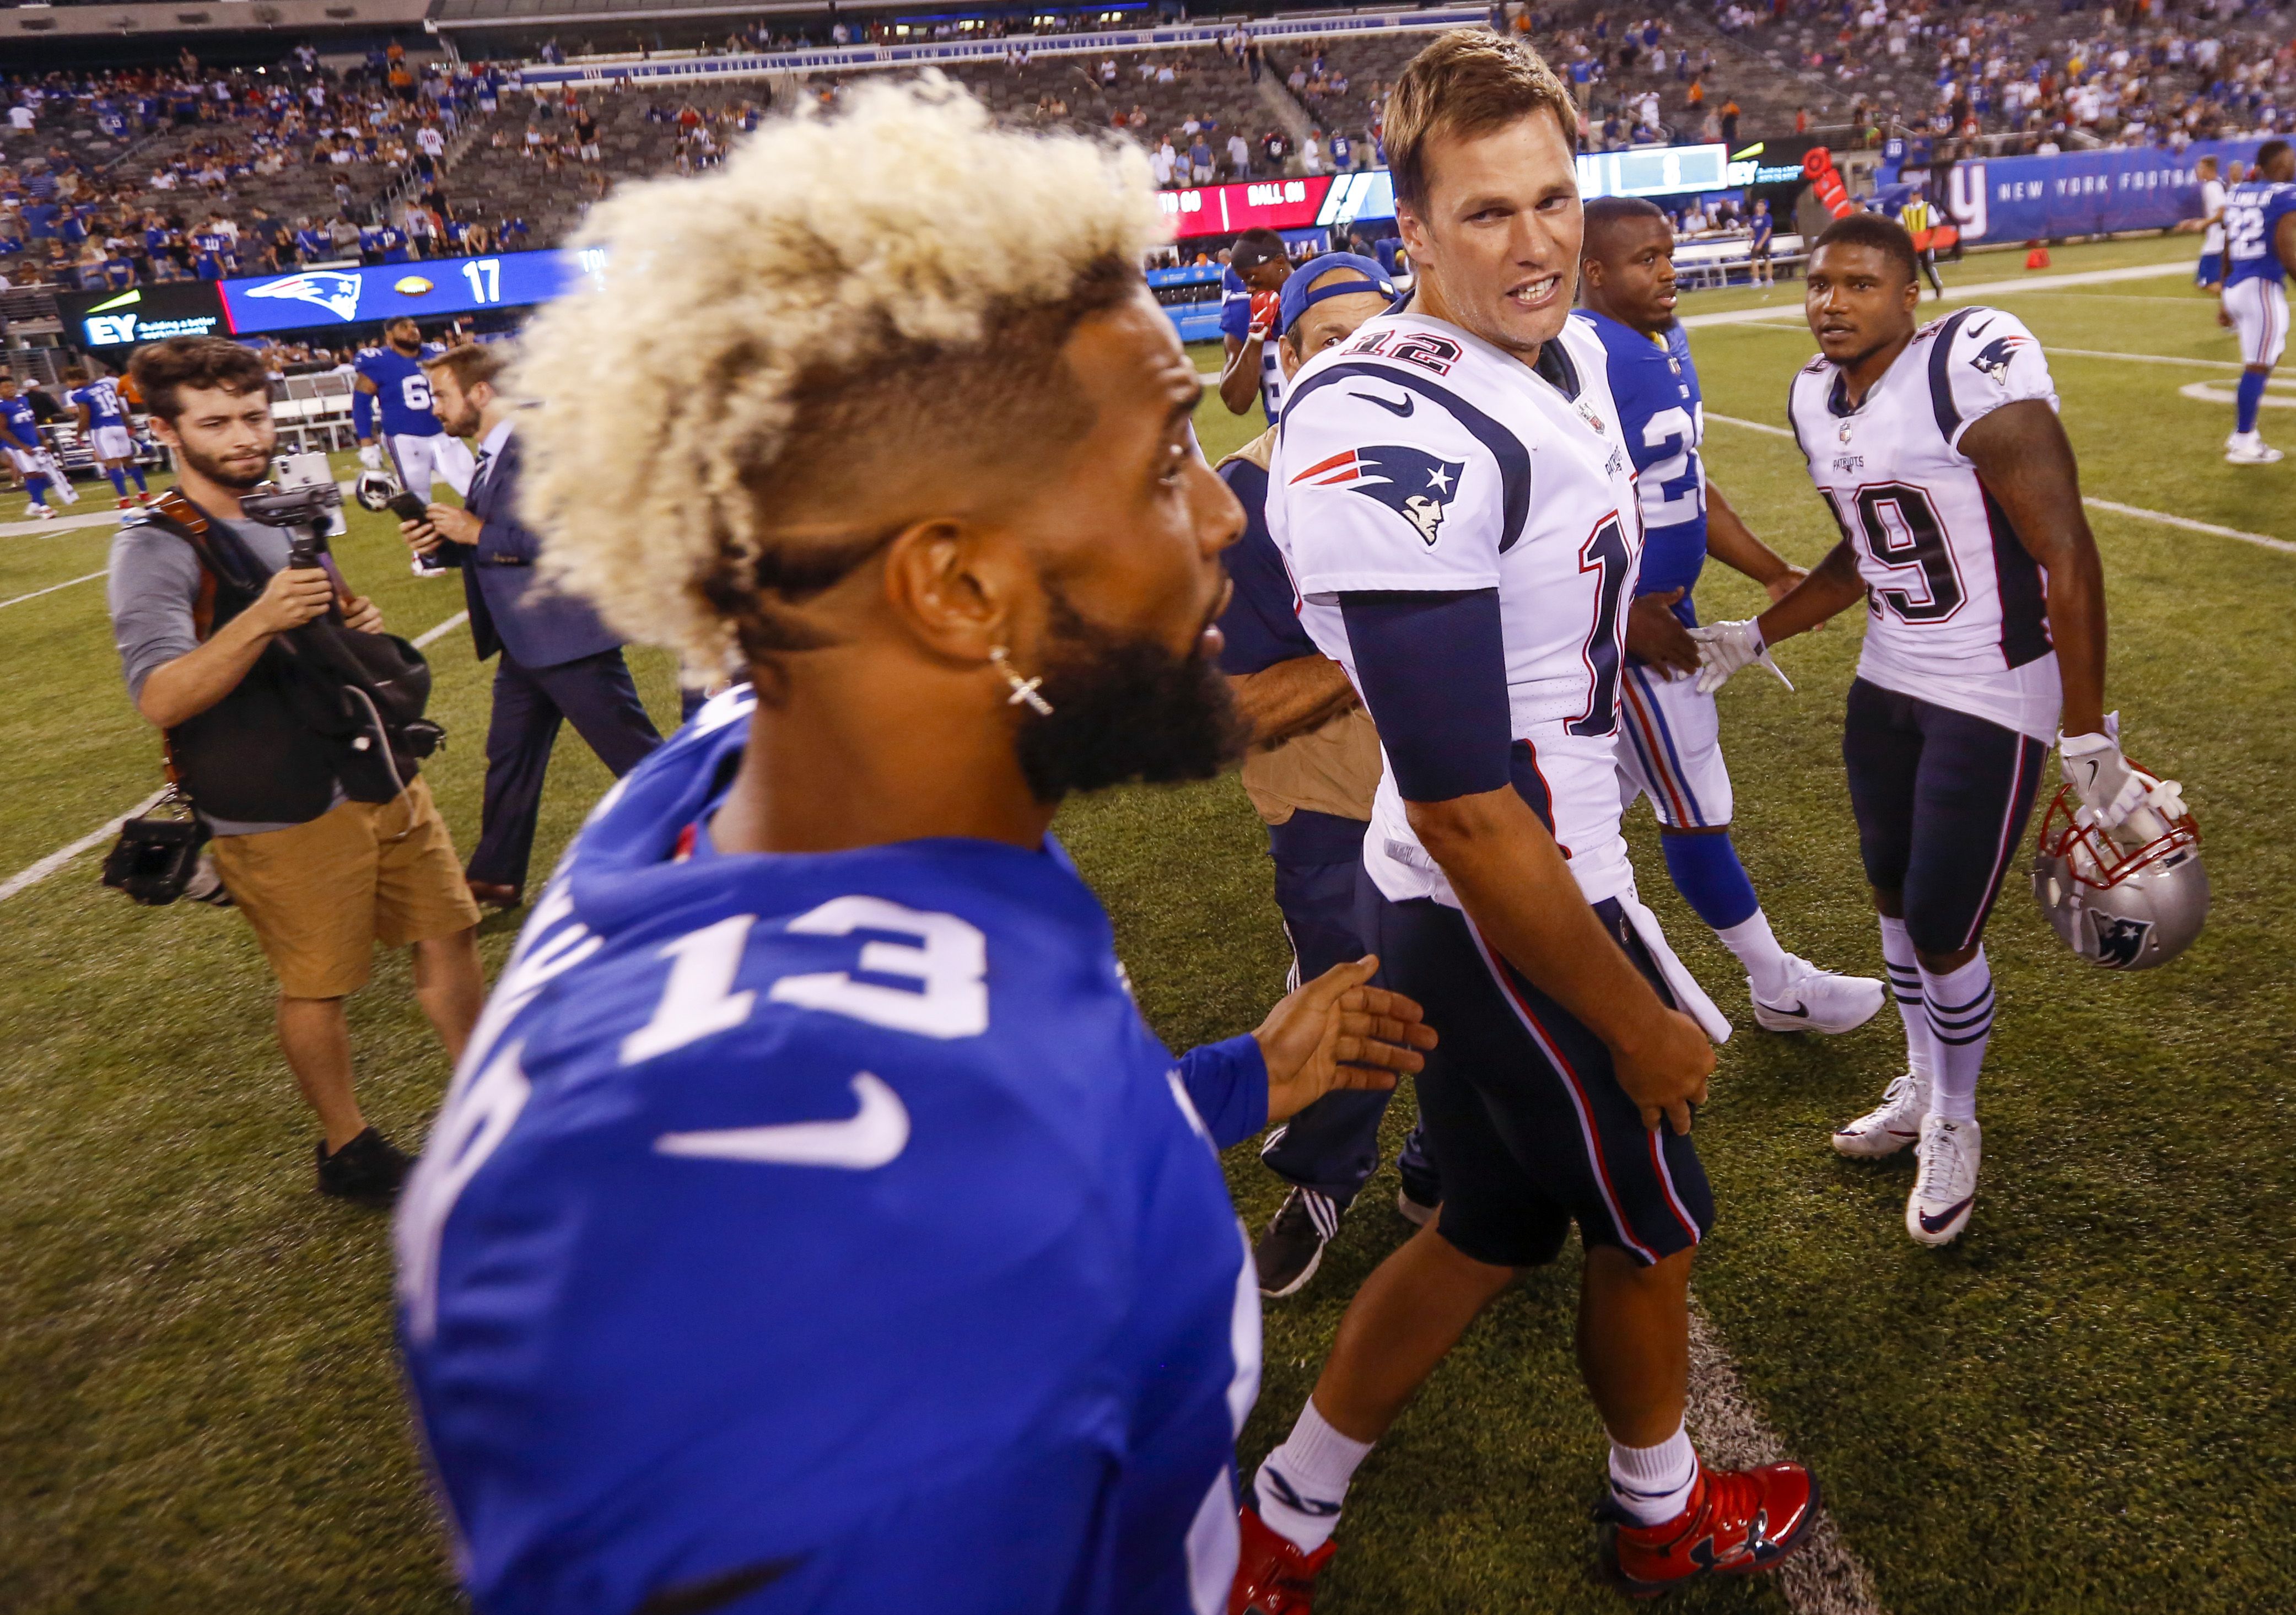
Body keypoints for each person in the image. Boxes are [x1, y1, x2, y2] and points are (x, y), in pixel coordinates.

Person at [393, 80, 1438, 1615]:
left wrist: (1238, 1083)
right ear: (953, 592)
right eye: (1162, 463)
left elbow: (959, 1066)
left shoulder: (764, 777)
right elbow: (914, 1184)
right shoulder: (822, 1245)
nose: (1221, 513)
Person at [1235, 33, 1816, 1610]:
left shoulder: (1535, 361)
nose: (1536, 238)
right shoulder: (1389, 424)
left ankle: (1281, 1514)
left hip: (1516, 869)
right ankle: (1659, 1508)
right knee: (1655, 1221)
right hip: (1504, 897)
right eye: (1484, 212)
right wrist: (1628, 1011)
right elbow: (1459, 798)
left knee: (1487, 1222)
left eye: (1551, 197)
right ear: (1408, 232)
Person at [1694, 212, 2128, 1248]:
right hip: (1889, 677)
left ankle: (1956, 1120)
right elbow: (1866, 555)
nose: (1832, 302)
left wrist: (2086, 729)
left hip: (1994, 686)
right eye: (1818, 284)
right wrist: (1756, 635)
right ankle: (1923, 1083)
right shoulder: (1811, 393)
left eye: (1859, 284)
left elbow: (2066, 552)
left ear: (1911, 293)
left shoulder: (1966, 370)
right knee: (1891, 898)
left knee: (1942, 924)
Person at [107, 336, 484, 1204]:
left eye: (253, 415)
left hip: (378, 771)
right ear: (166, 430)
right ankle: (346, 1145)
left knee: (449, 930)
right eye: (216, 422)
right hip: (278, 804)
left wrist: (356, 620)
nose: (243, 435)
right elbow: (161, 695)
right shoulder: (156, 546)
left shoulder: (277, 509)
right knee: (321, 984)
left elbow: (332, 624)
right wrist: (261, 620)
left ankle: (492, 1096)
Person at [1574, 197, 1884, 1035]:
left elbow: (1682, 489)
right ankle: (1776, 985)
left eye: (1667, 253)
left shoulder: (1660, 342)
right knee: (1694, 803)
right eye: (1644, 259)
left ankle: (1493, 948)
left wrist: (1772, 572)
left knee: (1577, 818)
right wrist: (1619, 608)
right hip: (1618, 626)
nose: (1667, 270)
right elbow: (1561, 503)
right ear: (1593, 273)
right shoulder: (1575, 357)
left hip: (1663, 608)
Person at [1215, 251, 1444, 1298]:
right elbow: (1229, 712)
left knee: (1470, 989)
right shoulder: (1241, 500)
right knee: (1353, 1000)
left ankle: (1441, 1157)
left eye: (1375, 337)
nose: (1358, 364)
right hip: (1332, 806)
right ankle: (1317, 1182)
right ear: (1287, 361)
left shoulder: (1443, 458)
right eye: (1329, 344)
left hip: (1460, 786)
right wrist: (1377, 634)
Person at [398, 342, 662, 909]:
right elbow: (499, 539)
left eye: (442, 395)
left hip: (567, 639)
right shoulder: (495, 452)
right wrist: (446, 546)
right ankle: (494, 876)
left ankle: (718, 845)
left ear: (481, 392)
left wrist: (474, 533)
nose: (434, 409)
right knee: (510, 759)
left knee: (638, 758)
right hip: (527, 643)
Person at [2216, 138, 2296, 466]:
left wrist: (2223, 294)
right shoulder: (2284, 195)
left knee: (2267, 356)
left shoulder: (2239, 192)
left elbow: (2227, 244)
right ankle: (2245, 440)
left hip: (2238, 284)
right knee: (2258, 364)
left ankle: (2242, 435)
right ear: (2280, 164)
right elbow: (2287, 248)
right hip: (2261, 287)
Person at [355, 315, 475, 502]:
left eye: (414, 326)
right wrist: (366, 442)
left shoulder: (436, 354)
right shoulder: (377, 361)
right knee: (418, 499)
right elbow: (361, 404)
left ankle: (486, 529)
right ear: (389, 337)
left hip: (444, 433)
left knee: (475, 488)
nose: (412, 331)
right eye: (404, 327)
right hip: (405, 438)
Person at [1219, 228, 1293, 421]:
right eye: (1243, 280)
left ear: (1279, 262)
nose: (1249, 287)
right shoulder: (1244, 311)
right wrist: (1256, 336)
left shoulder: (1318, 297)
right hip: (1281, 439)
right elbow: (1237, 402)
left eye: (1251, 277)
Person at [64, 363, 150, 508]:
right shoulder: (106, 387)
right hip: (119, 425)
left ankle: (124, 499)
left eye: (69, 380)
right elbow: (120, 406)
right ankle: (144, 492)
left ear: (77, 379)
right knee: (129, 460)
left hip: (101, 429)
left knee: (112, 464)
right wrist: (129, 424)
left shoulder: (80, 395)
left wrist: (79, 434)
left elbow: (85, 417)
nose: (68, 384)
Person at [0, 368, 72, 521]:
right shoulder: (2, 406)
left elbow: (32, 421)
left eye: (12, 386)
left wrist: (43, 438)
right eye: (6, 387)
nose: (10, 389)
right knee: (31, 474)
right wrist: (21, 446)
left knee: (44, 474)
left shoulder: (23, 400)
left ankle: (34, 503)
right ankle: (43, 507)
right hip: (17, 446)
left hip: (33, 442)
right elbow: (3, 430)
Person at [2192, 154, 2228, 292]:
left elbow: (2223, 211)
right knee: (2203, 283)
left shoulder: (2212, 186)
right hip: (2216, 240)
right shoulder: (2217, 183)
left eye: (2200, 168)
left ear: (2209, 169)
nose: (2198, 171)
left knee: (2209, 284)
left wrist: (2204, 224)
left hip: (2216, 242)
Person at [1748, 196, 1774, 287]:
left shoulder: (1768, 217)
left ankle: (1770, 280)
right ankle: (1756, 280)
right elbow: (1753, 230)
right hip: (1756, 243)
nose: (1760, 208)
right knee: (1754, 260)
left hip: (1765, 243)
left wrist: (1761, 243)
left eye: (1762, 206)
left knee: (1767, 259)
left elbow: (1768, 231)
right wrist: (1751, 240)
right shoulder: (1754, 218)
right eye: (1758, 206)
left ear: (1765, 207)